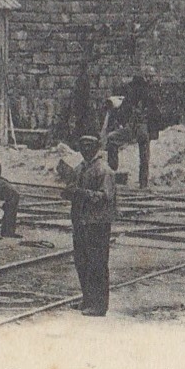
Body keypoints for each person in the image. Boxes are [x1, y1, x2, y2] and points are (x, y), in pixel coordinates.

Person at [60, 134, 117, 316]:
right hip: (81, 221)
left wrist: (80, 193)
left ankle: (99, 305)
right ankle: (87, 300)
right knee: (82, 262)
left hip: (97, 222)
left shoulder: (104, 170)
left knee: (97, 263)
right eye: (82, 145)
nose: (85, 149)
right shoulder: (80, 168)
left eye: (89, 146)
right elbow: (73, 188)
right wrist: (68, 192)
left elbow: (105, 197)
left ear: (96, 147)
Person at [104, 75, 161, 188]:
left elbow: (122, 112)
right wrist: (152, 132)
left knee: (111, 139)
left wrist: (122, 122)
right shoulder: (150, 96)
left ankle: (113, 168)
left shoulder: (131, 95)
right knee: (144, 156)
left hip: (132, 128)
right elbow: (156, 115)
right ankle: (143, 183)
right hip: (145, 130)